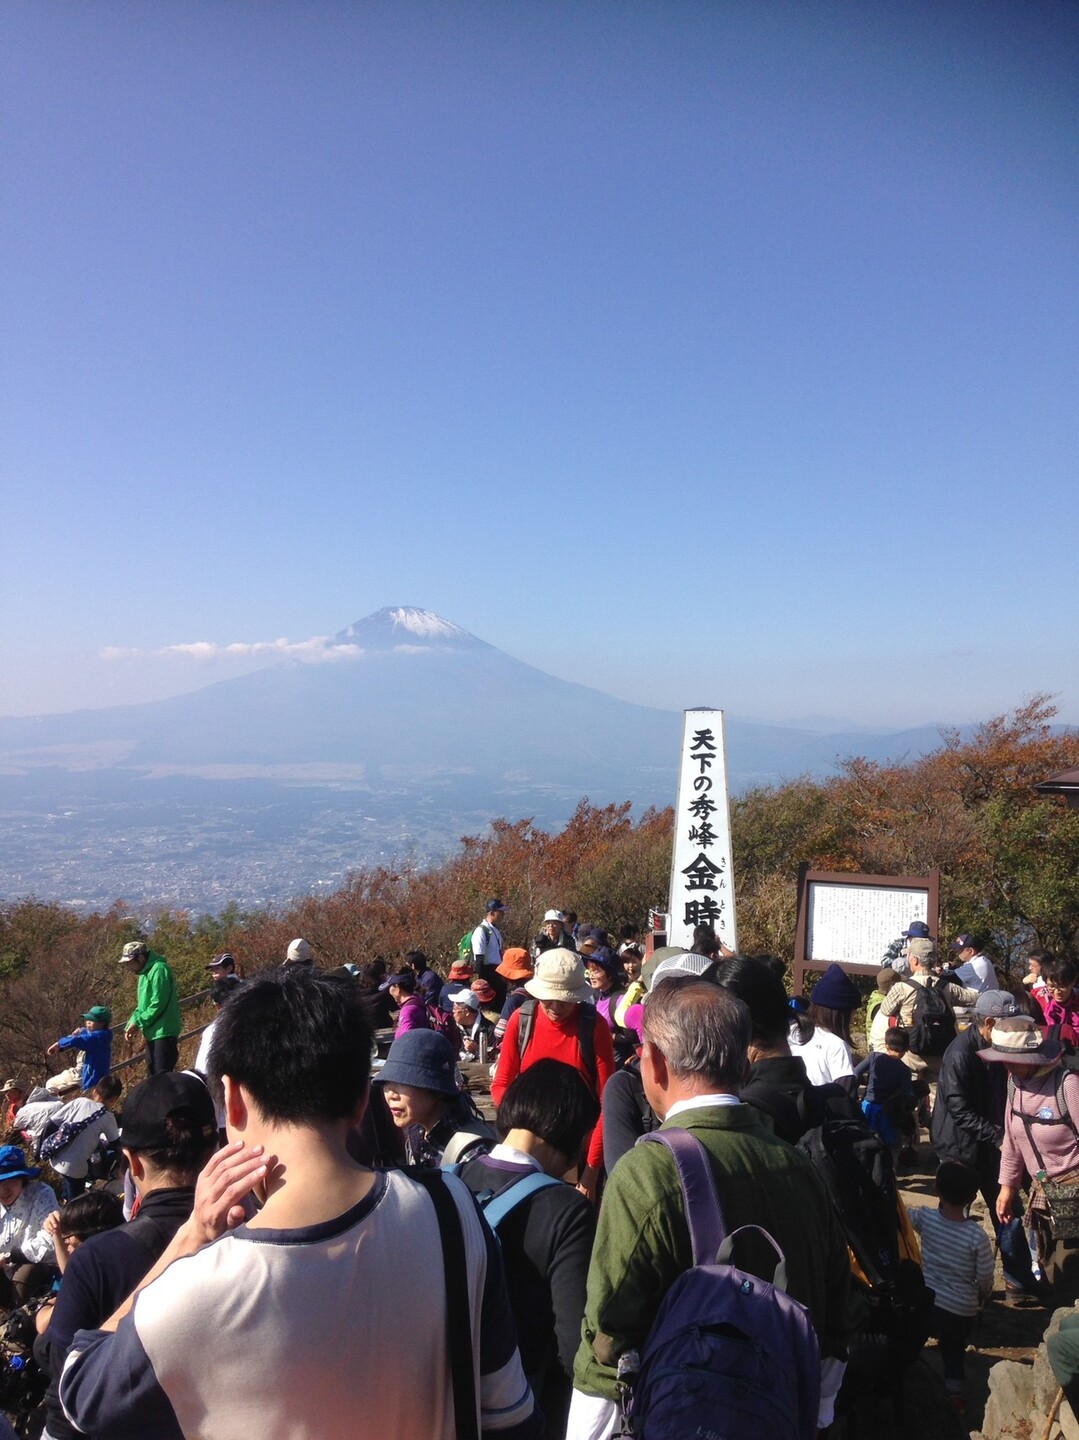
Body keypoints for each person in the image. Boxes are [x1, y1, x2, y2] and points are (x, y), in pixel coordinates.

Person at [59, 969, 541, 1440]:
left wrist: (189, 1238)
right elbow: (509, 1416)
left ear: (232, 1101)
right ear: (360, 1101)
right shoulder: (449, 1207)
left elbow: (79, 1393)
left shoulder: (196, 1291)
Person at [569, 981, 851, 1439]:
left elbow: (607, 1343)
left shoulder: (647, 1172)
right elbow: (837, 1316)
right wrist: (813, 1414)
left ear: (655, 1062)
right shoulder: (800, 1167)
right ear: (743, 1063)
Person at [34, 1070, 221, 1440]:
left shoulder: (98, 1261)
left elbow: (63, 1409)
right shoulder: (255, 1229)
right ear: (214, 1149)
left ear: (131, 1163)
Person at [457, 1061, 598, 1440]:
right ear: (574, 1136)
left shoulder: (452, 1178)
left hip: (444, 1399)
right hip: (519, 1410)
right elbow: (574, 1349)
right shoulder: (568, 1211)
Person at [930, 990, 1043, 1298]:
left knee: (1008, 1210)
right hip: (959, 1147)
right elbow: (958, 1108)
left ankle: (1017, 1281)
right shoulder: (960, 1053)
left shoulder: (1000, 1049)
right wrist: (1000, 1136)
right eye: (1008, 1024)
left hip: (991, 1143)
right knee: (953, 1219)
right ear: (990, 1022)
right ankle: (947, 1285)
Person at [492, 949, 616, 1201]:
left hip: (577, 1156)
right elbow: (502, 1083)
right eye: (549, 998)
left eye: (565, 1000)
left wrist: (591, 1171)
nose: (556, 1006)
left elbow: (607, 1102)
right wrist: (520, 1133)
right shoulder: (522, 1019)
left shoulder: (594, 1026)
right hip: (524, 1153)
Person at [985, 1017, 1079, 1291]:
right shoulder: (1014, 1084)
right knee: (1047, 1260)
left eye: (1011, 1059)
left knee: (1066, 1271)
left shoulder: (1067, 1085)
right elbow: (1012, 1140)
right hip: (1043, 1191)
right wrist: (1007, 1187)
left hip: (1073, 1195)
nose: (1006, 1066)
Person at [907, 1160, 993, 1413]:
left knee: (917, 1338)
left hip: (929, 1301)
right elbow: (986, 1276)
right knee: (954, 1350)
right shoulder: (977, 1236)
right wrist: (982, 1295)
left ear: (937, 1189)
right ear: (972, 1197)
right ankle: (954, 1396)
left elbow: (902, 1215)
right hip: (961, 1309)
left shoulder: (926, 1219)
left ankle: (908, 1372)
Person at [373, 1027, 495, 1167]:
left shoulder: (473, 1153)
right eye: (386, 1083)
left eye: (401, 1082)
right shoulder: (418, 1131)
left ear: (436, 1088)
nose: (390, 1094)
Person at [45, 1075, 123, 1201]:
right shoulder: (108, 1117)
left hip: (56, 1156)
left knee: (67, 1180)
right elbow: (115, 1144)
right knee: (76, 1199)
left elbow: (52, 1124)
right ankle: (70, 1208)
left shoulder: (79, 1101)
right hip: (75, 1167)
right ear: (114, 1100)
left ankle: (65, 1198)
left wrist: (40, 1149)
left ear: (95, 1091)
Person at [0, 1145, 57, 1309]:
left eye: (11, 1180)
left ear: (23, 1179)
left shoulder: (41, 1194)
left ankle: (23, 1318)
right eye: (0, 1182)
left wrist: (10, 1256)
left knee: (26, 1274)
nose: (4, 1189)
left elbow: (50, 1239)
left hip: (40, 1265)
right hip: (6, 1269)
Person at [788, 964, 857, 1086]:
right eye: (852, 1013)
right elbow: (845, 1095)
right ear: (840, 1014)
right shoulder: (837, 1045)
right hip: (820, 1104)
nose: (853, 1019)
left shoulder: (791, 1030)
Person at [120, 940, 181, 1076]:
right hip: (152, 1033)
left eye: (131, 963)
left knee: (162, 1077)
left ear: (141, 958)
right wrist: (132, 1023)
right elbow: (142, 1005)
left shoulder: (159, 969)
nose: (129, 967)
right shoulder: (143, 974)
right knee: (153, 1076)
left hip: (164, 1032)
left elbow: (158, 1003)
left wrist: (139, 1022)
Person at [47, 1006, 114, 1092]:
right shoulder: (102, 1036)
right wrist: (81, 1032)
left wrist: (59, 1044)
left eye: (91, 1021)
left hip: (90, 1079)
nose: (88, 1023)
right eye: (87, 1020)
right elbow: (86, 1034)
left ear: (102, 1023)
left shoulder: (95, 1038)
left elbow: (77, 1040)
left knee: (50, 1085)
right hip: (96, 1078)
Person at [472, 898, 508, 1003]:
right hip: (488, 974)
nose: (503, 914)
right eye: (500, 912)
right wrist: (482, 983)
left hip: (498, 973)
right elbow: (479, 959)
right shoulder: (481, 931)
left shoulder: (495, 929)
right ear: (492, 913)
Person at [943, 934, 999, 1000]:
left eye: (960, 949)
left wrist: (941, 971)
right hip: (989, 1001)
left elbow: (949, 979)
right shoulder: (984, 960)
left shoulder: (973, 966)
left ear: (971, 951)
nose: (957, 952)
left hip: (978, 1006)